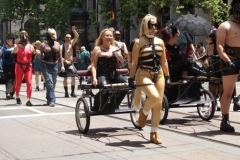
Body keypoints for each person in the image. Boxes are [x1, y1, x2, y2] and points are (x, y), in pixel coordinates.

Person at [129, 14, 170, 144]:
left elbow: (164, 61)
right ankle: (144, 112)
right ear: (145, 26)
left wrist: (167, 76)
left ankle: (154, 134)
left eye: (156, 25)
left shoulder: (160, 41)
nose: (154, 27)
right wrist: (131, 78)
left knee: (158, 105)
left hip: (159, 74)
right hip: (143, 73)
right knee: (155, 97)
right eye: (150, 25)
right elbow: (134, 62)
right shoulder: (138, 42)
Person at [216, 0, 240, 132]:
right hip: (230, 59)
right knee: (228, 92)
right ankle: (225, 120)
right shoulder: (225, 26)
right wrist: (227, 60)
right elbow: (220, 46)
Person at [91, 28, 127, 112]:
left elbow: (120, 66)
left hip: (114, 73)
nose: (109, 37)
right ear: (102, 37)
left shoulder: (115, 48)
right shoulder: (97, 49)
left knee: (126, 84)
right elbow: (93, 65)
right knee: (105, 87)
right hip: (102, 74)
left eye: (111, 36)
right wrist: (94, 78)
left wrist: (120, 58)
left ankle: (115, 104)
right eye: (107, 35)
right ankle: (99, 102)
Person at [38, 28, 65, 107]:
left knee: (53, 84)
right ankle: (52, 100)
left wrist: (62, 65)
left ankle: (48, 96)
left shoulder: (57, 44)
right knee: (49, 83)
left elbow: (60, 56)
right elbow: (39, 56)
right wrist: (38, 53)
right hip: (45, 65)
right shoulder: (43, 45)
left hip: (55, 65)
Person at [12, 30, 35, 106]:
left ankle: (28, 99)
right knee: (18, 82)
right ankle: (17, 96)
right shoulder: (17, 46)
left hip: (28, 66)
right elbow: (14, 56)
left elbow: (33, 56)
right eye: (22, 33)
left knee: (29, 82)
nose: (24, 34)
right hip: (19, 65)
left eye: (25, 33)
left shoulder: (30, 46)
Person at [202, 29, 222, 111]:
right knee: (212, 89)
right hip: (211, 69)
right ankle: (214, 104)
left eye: (208, 36)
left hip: (219, 69)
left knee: (221, 89)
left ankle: (220, 103)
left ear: (212, 37)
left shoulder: (217, 46)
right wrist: (203, 60)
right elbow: (206, 56)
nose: (206, 37)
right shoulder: (207, 46)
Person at [58, 26, 79, 97]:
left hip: (71, 63)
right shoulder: (61, 46)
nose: (69, 39)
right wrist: (65, 61)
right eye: (67, 37)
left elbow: (77, 36)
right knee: (65, 78)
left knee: (73, 77)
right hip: (64, 63)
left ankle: (73, 92)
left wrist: (74, 30)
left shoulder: (71, 44)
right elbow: (60, 56)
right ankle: (66, 92)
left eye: (70, 37)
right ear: (64, 38)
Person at [0, 33, 16, 99]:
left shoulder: (16, 46)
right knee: (9, 78)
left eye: (9, 39)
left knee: (15, 79)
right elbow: (1, 54)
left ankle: (12, 93)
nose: (8, 40)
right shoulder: (4, 47)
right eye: (7, 39)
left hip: (15, 65)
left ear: (13, 40)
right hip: (6, 65)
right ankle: (8, 93)